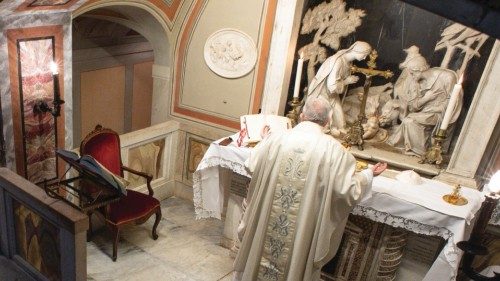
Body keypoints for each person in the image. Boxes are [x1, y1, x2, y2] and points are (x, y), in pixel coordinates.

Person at [233, 96, 387, 281]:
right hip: (301, 231)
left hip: (266, 223)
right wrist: (369, 174)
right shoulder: (334, 151)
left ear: (301, 115)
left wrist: (265, 140)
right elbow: (347, 190)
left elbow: (252, 164)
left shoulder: (277, 139)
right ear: (328, 121)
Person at [387, 54, 460, 156]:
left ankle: (420, 151)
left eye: (412, 73)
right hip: (423, 113)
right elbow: (412, 106)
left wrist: (435, 108)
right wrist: (426, 98)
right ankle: (417, 149)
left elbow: (453, 101)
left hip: (439, 113)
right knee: (409, 119)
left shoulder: (447, 77)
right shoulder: (415, 82)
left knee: (409, 120)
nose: (411, 76)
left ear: (419, 70)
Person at [306, 41, 372, 136]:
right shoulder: (338, 61)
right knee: (324, 124)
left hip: (332, 94)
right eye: (365, 55)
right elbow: (332, 85)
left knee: (341, 124)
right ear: (357, 51)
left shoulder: (347, 61)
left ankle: (334, 127)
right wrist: (346, 81)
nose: (365, 58)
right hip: (322, 93)